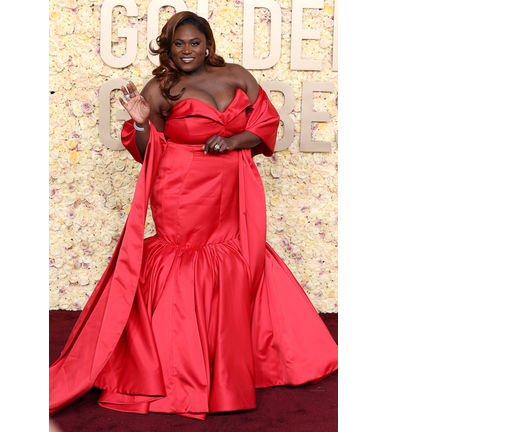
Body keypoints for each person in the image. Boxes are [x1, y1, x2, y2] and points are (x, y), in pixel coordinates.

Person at [49, 11, 338, 420]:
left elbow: (268, 124)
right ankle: (179, 373)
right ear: (168, 48)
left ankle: (235, 364)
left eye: (194, 43)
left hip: (233, 185)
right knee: (187, 261)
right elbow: (149, 152)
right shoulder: (161, 87)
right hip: (181, 188)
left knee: (235, 258)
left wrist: (233, 139)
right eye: (179, 44)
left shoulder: (237, 76)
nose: (187, 51)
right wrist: (143, 123)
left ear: (208, 45)